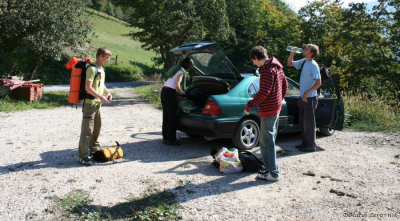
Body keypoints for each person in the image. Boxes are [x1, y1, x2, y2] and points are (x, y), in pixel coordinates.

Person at [244, 46, 288, 182]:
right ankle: (270, 168)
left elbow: (264, 92)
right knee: (270, 140)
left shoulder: (267, 71)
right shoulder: (277, 67)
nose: (253, 63)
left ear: (257, 57)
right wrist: (279, 100)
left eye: (253, 60)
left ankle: (273, 173)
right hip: (275, 108)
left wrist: (250, 104)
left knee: (266, 142)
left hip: (269, 110)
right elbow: (285, 85)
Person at [78, 46, 113, 166]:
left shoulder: (101, 69)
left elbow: (100, 85)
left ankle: (94, 149)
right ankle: (83, 156)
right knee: (87, 130)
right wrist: (100, 97)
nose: (108, 60)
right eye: (106, 58)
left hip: (97, 104)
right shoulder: (92, 69)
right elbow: (88, 87)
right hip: (90, 104)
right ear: (100, 56)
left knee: (97, 127)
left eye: (108, 58)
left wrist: (107, 93)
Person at [287, 44, 321, 152]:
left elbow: (318, 83)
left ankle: (311, 146)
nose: (304, 49)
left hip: (310, 98)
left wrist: (307, 92)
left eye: (307, 49)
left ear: (311, 53)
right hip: (303, 97)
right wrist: (291, 54)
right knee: (302, 122)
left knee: (309, 123)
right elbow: (289, 63)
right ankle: (304, 143)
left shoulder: (313, 65)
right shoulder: (303, 61)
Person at [161, 57, 194, 146]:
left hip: (164, 91)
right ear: (188, 66)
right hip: (170, 93)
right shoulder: (181, 71)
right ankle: (171, 140)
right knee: (172, 117)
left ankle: (166, 138)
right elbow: (177, 86)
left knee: (166, 116)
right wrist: (182, 92)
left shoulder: (176, 68)